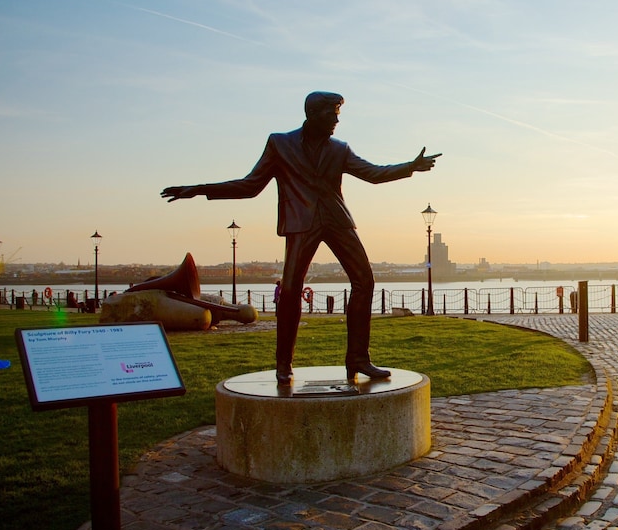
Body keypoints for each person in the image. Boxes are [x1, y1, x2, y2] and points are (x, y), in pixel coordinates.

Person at [162, 91, 441, 385]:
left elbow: (372, 173)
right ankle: (284, 363)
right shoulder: (280, 144)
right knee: (292, 290)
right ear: (312, 114)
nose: (336, 119)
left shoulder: (340, 149)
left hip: (337, 221)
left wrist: (410, 166)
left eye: (338, 113)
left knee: (365, 282)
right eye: (331, 113)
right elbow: (250, 185)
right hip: (301, 223)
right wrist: (199, 189)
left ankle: (358, 359)